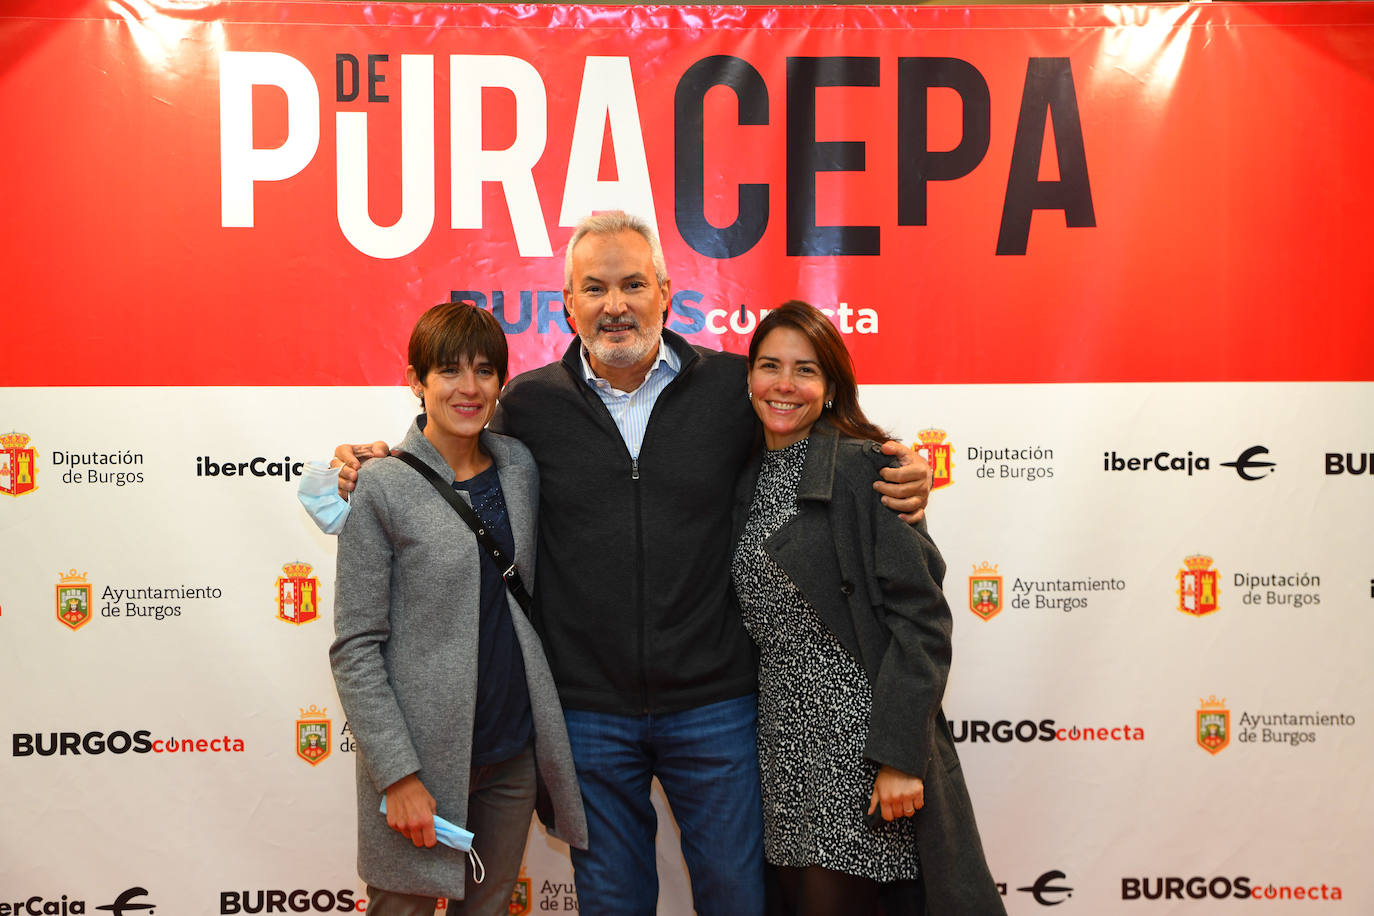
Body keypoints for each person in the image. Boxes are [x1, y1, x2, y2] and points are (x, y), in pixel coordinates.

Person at [321, 212, 931, 916]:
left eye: (633, 284)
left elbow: (812, 427)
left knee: (738, 899)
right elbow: (450, 452)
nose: (616, 305)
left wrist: (898, 465)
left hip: (716, 703)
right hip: (587, 712)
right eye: (596, 287)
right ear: (568, 305)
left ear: (666, 293)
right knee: (612, 904)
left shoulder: (732, 388)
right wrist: (368, 464)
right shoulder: (527, 406)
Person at [732, 301, 1003, 916]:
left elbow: (923, 621)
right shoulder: (748, 474)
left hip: (857, 749)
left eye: (805, 370)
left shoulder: (867, 468)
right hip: (782, 747)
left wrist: (899, 755)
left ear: (830, 386)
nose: (783, 385)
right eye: (769, 366)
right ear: (747, 378)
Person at [329, 302, 586, 916]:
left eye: (484, 371)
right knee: (402, 907)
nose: (468, 389)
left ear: (502, 381)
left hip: (511, 755)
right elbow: (356, 646)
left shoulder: (520, 466)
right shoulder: (383, 484)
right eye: (448, 371)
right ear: (416, 381)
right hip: (420, 759)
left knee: (490, 907)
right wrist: (397, 775)